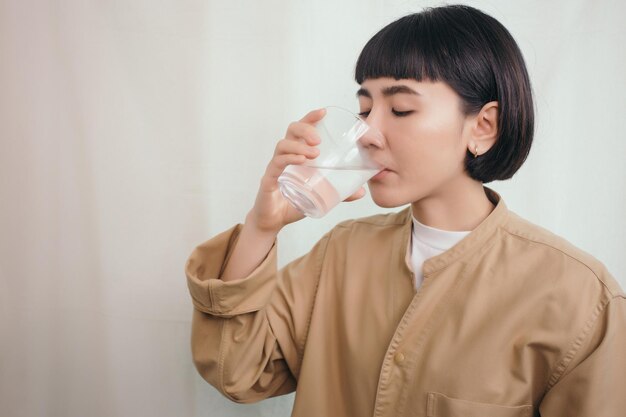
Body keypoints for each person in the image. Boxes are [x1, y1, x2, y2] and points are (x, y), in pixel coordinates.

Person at [185, 4, 625, 417]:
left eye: (400, 108)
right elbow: (236, 373)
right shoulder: (341, 252)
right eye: (364, 110)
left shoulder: (578, 297)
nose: (367, 134)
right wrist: (262, 228)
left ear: (484, 126)